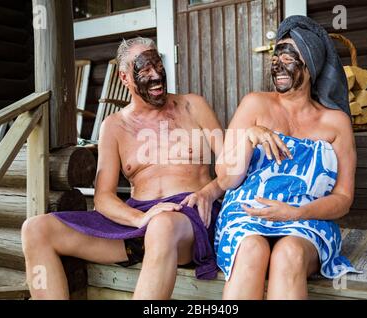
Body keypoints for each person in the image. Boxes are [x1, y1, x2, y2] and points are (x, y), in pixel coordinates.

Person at [21, 37, 224, 300]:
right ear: (125, 77)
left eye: (158, 65)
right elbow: (103, 196)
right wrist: (140, 218)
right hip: (137, 221)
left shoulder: (192, 105)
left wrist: (209, 192)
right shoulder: (113, 126)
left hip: (188, 219)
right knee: (36, 229)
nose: (156, 76)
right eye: (144, 70)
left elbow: (232, 165)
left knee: (161, 226)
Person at [215, 15, 360, 300]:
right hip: (247, 214)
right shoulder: (254, 103)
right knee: (251, 251)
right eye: (275, 59)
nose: (278, 66)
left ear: (311, 64)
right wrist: (249, 136)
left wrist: (297, 213)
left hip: (308, 220)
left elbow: (343, 198)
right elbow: (226, 178)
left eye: (288, 58)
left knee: (289, 253)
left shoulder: (336, 122)